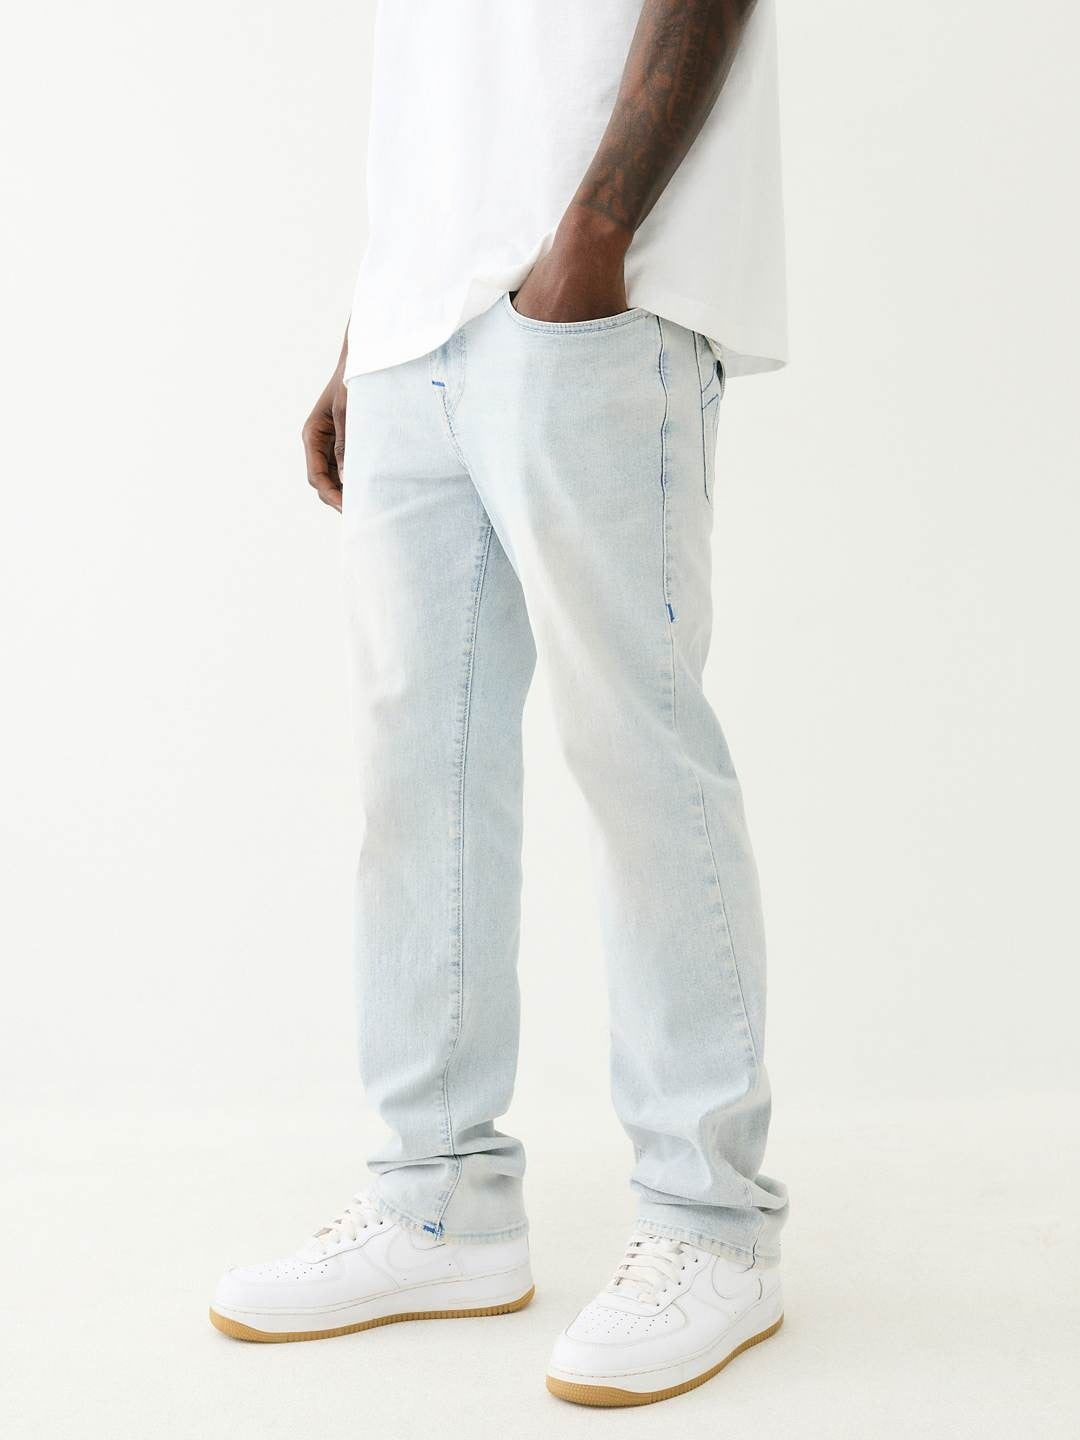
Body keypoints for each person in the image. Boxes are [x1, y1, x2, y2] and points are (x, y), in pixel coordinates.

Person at [211, 0, 789, 1407]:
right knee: (415, 774)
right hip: (418, 322)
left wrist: (595, 232)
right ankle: (438, 1203)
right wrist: (368, 328)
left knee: (637, 750)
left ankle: (712, 1226)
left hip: (596, 295)